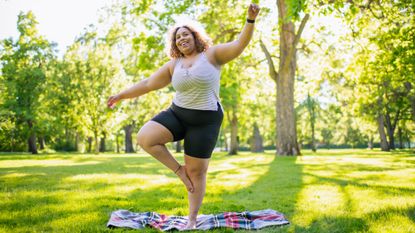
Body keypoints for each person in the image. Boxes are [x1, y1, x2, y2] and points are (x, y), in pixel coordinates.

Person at [107, 3, 260, 229]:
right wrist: (120, 95)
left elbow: (239, 45)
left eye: (185, 34)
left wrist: (250, 20)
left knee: (197, 172)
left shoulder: (212, 55)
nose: (182, 39)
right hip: (177, 114)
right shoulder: (174, 65)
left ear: (195, 37)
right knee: (145, 137)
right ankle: (179, 171)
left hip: (205, 121)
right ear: (175, 43)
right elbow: (148, 84)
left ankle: (191, 220)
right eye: (177, 37)